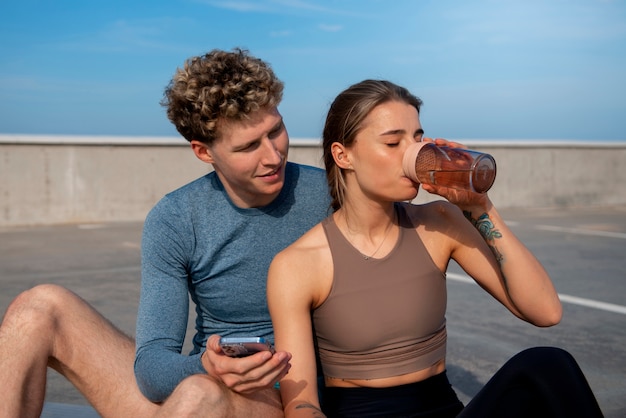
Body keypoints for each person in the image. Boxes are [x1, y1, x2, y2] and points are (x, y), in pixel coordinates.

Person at [0, 48, 330, 418]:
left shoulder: (331, 194)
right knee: (38, 307)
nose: (273, 156)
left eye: (276, 131)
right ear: (204, 152)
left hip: (287, 396)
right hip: (198, 388)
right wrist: (207, 366)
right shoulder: (176, 219)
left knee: (198, 397)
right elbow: (153, 368)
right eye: (249, 146)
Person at [267, 79, 604, 418]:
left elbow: (545, 312)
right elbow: (301, 402)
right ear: (344, 155)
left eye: (417, 138)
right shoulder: (297, 265)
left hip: (443, 409)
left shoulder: (439, 223)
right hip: (363, 412)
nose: (415, 153)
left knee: (546, 365)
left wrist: (480, 207)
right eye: (393, 141)